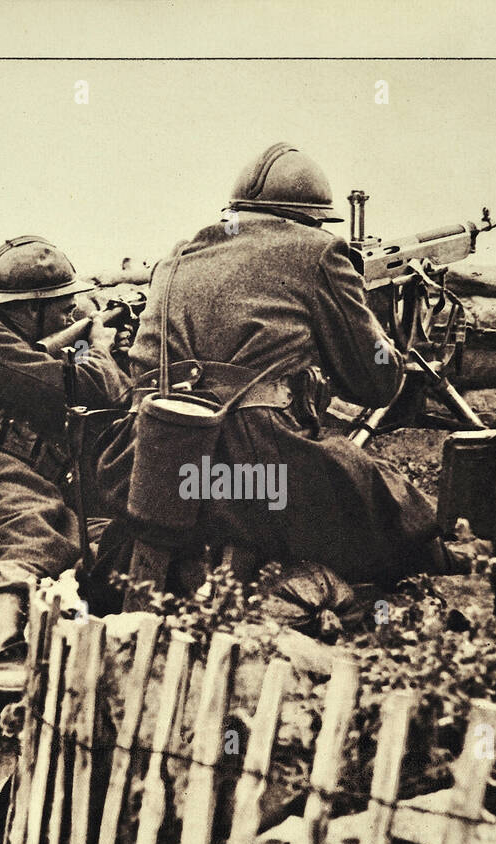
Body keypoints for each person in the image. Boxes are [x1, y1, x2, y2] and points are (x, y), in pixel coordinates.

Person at [95, 142, 449, 592]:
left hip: (145, 463)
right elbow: (377, 384)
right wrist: (384, 323)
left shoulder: (177, 257)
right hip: (252, 466)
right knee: (395, 507)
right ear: (312, 217)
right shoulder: (321, 251)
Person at [0, 236, 130, 731]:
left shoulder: (4, 337)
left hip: (3, 472)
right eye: (58, 308)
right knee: (28, 527)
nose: (67, 316)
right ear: (28, 310)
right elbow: (85, 387)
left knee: (91, 538)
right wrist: (98, 349)